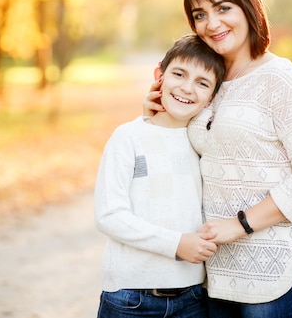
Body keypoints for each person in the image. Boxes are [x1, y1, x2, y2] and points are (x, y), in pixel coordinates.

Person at [144, 0, 292, 318]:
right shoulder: (206, 83)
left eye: (223, 8)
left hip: (275, 270)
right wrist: (157, 115)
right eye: (200, 14)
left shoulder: (281, 79)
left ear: (248, 6)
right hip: (215, 274)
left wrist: (240, 223)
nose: (212, 23)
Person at [94, 34, 226, 318]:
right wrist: (176, 244)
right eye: (179, 74)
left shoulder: (202, 144)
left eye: (202, 83)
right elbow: (109, 215)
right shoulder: (128, 137)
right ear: (160, 75)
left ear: (212, 97)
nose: (187, 88)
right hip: (130, 297)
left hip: (191, 296)